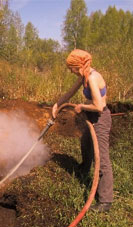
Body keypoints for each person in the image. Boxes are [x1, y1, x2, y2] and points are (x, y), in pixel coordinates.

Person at [52, 49, 113, 213]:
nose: (70, 70)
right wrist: (58, 104)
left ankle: (105, 201)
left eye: (70, 67)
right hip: (91, 117)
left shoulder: (93, 78)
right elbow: (70, 92)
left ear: (77, 65)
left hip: (100, 119)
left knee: (102, 159)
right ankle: (83, 170)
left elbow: (99, 106)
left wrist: (81, 107)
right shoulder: (84, 76)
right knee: (86, 144)